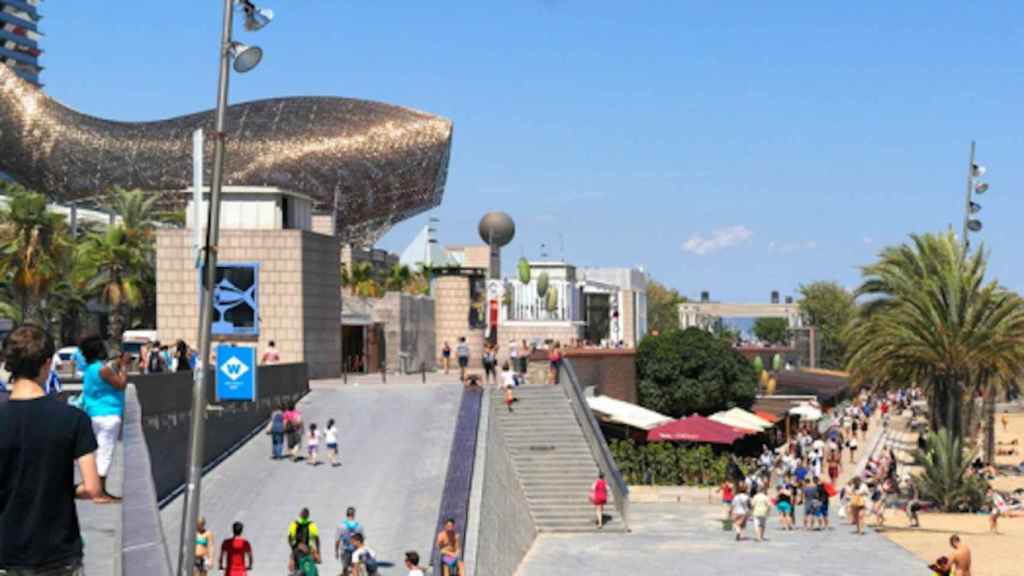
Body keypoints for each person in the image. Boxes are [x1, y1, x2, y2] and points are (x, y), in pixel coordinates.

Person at [0, 324, 101, 574]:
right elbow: (92, 488)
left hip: (6, 552)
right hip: (58, 553)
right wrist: (60, 486)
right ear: (47, 364)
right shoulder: (74, 419)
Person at [80, 335, 129, 502]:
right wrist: (123, 366)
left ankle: (93, 488)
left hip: (93, 413)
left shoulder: (90, 368)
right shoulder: (102, 369)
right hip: (108, 414)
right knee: (105, 452)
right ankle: (99, 493)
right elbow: (121, 384)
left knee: (97, 451)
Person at [288, 508, 320, 574]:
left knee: (294, 568)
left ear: (300, 515)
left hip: (298, 550)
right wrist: (318, 552)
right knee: (311, 569)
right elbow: (316, 539)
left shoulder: (294, 524)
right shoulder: (311, 524)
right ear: (308, 516)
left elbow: (290, 538)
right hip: (307, 550)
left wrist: (294, 549)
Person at [335, 507, 362, 576]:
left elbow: (337, 541)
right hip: (355, 551)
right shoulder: (359, 526)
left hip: (345, 551)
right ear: (354, 514)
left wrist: (336, 551)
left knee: (345, 569)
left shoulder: (341, 525)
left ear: (347, 514)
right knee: (354, 569)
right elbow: (361, 540)